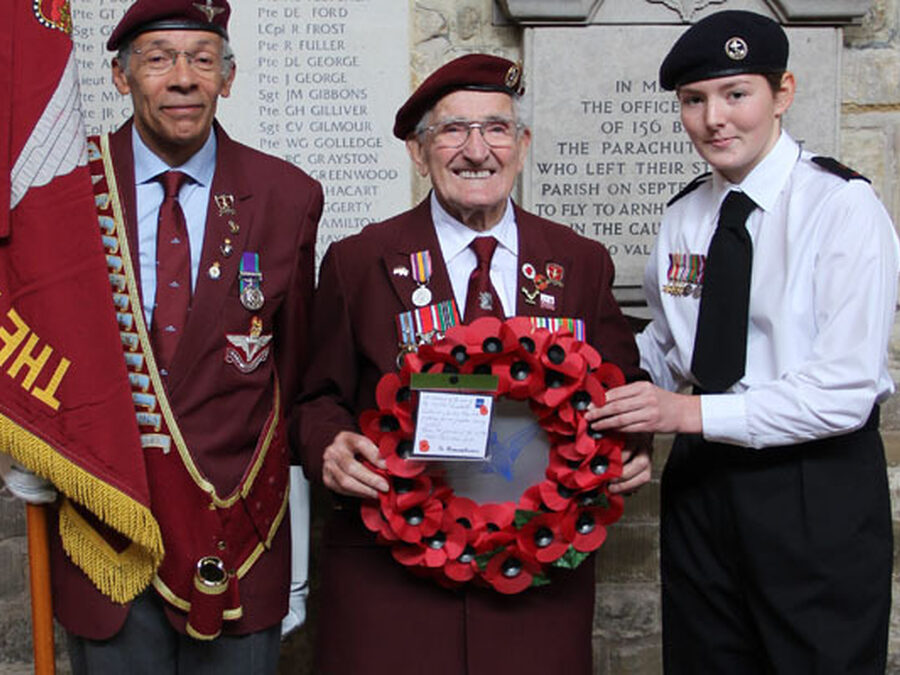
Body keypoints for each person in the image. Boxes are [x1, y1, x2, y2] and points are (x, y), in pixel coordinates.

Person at [294, 53, 651, 674]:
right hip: (392, 587)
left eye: (496, 128)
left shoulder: (579, 261)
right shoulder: (360, 261)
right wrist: (329, 445)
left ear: (522, 145)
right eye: (453, 130)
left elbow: (622, 386)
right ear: (419, 152)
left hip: (534, 587)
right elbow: (313, 396)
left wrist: (634, 445)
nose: (477, 150)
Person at [588, 10, 899, 673]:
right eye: (693, 100)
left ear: (783, 93)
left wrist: (685, 413)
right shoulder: (685, 215)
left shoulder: (841, 207)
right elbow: (670, 349)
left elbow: (844, 389)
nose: (714, 120)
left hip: (812, 484)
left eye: (736, 94)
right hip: (703, 485)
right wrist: (584, 381)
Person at [32, 1, 323, 673]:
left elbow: (295, 375)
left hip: (237, 538)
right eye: (159, 58)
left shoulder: (286, 195)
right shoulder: (63, 190)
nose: (183, 78)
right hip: (107, 535)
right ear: (120, 76)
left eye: (202, 59)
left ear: (228, 76)